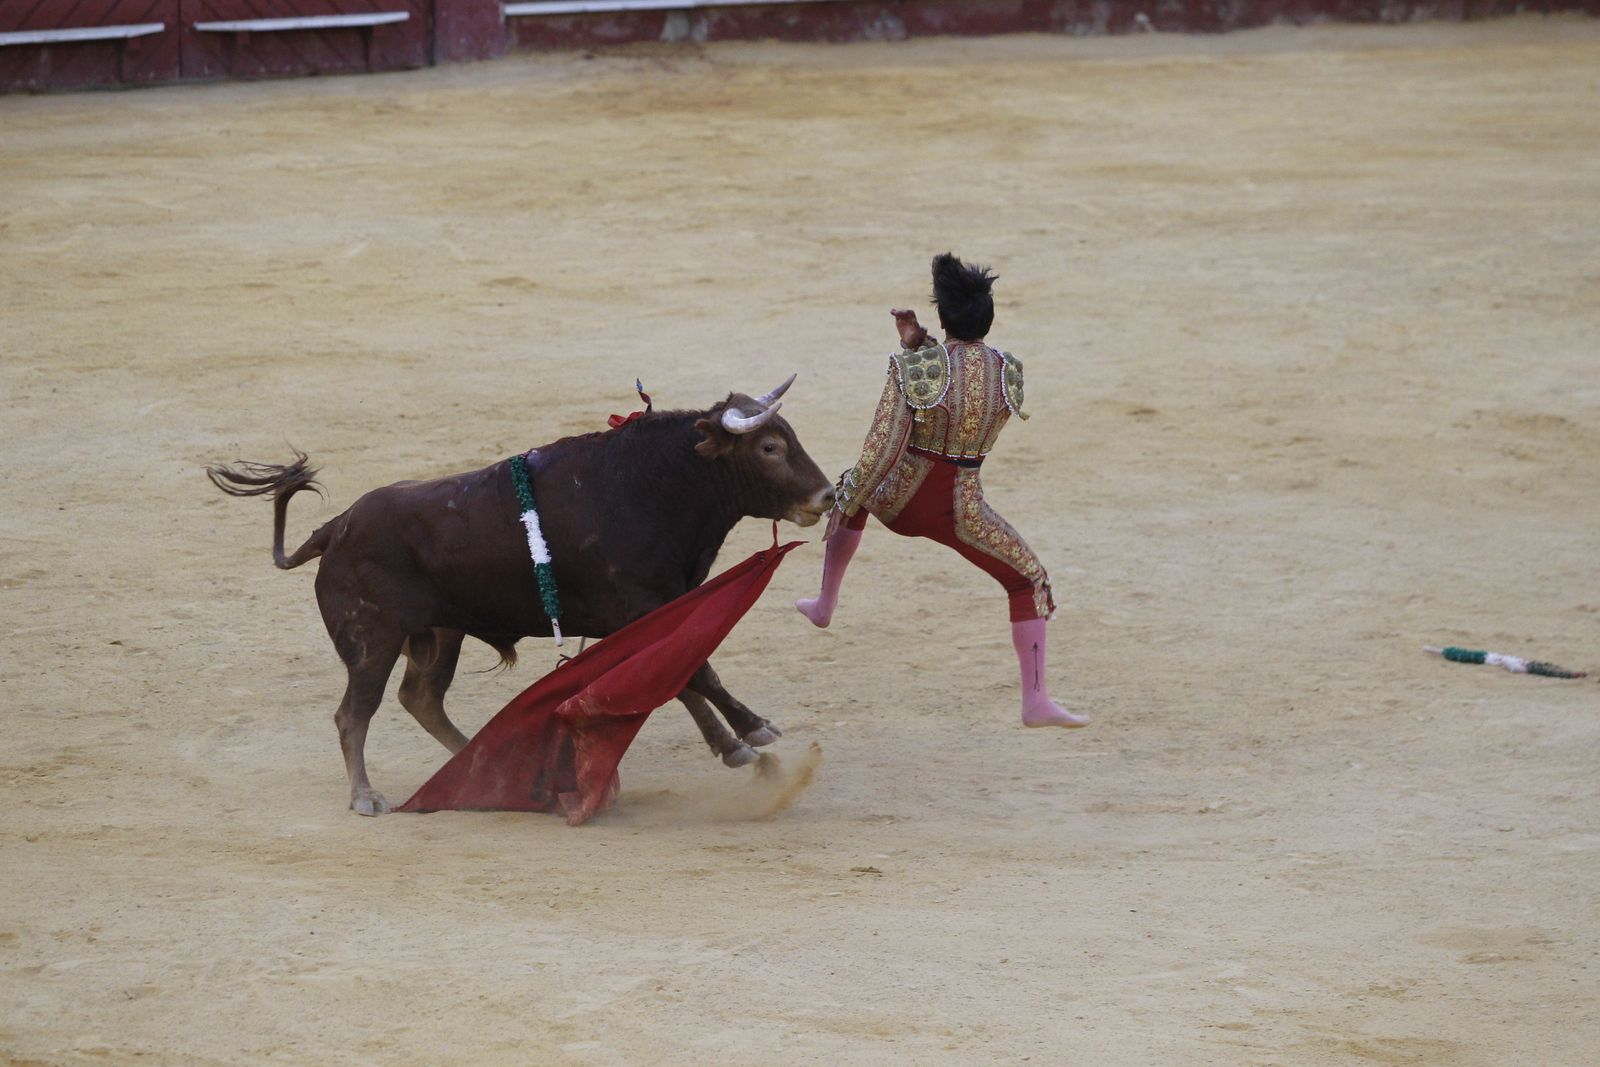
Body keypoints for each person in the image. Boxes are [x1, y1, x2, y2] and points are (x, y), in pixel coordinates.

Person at [796, 253, 1088, 728]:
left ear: (942, 316)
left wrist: (848, 501)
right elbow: (967, 390)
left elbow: (883, 446)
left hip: (899, 500)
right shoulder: (1008, 371)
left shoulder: (914, 368)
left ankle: (826, 601)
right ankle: (1036, 701)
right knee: (1027, 580)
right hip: (962, 510)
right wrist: (928, 348)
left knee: (857, 479)